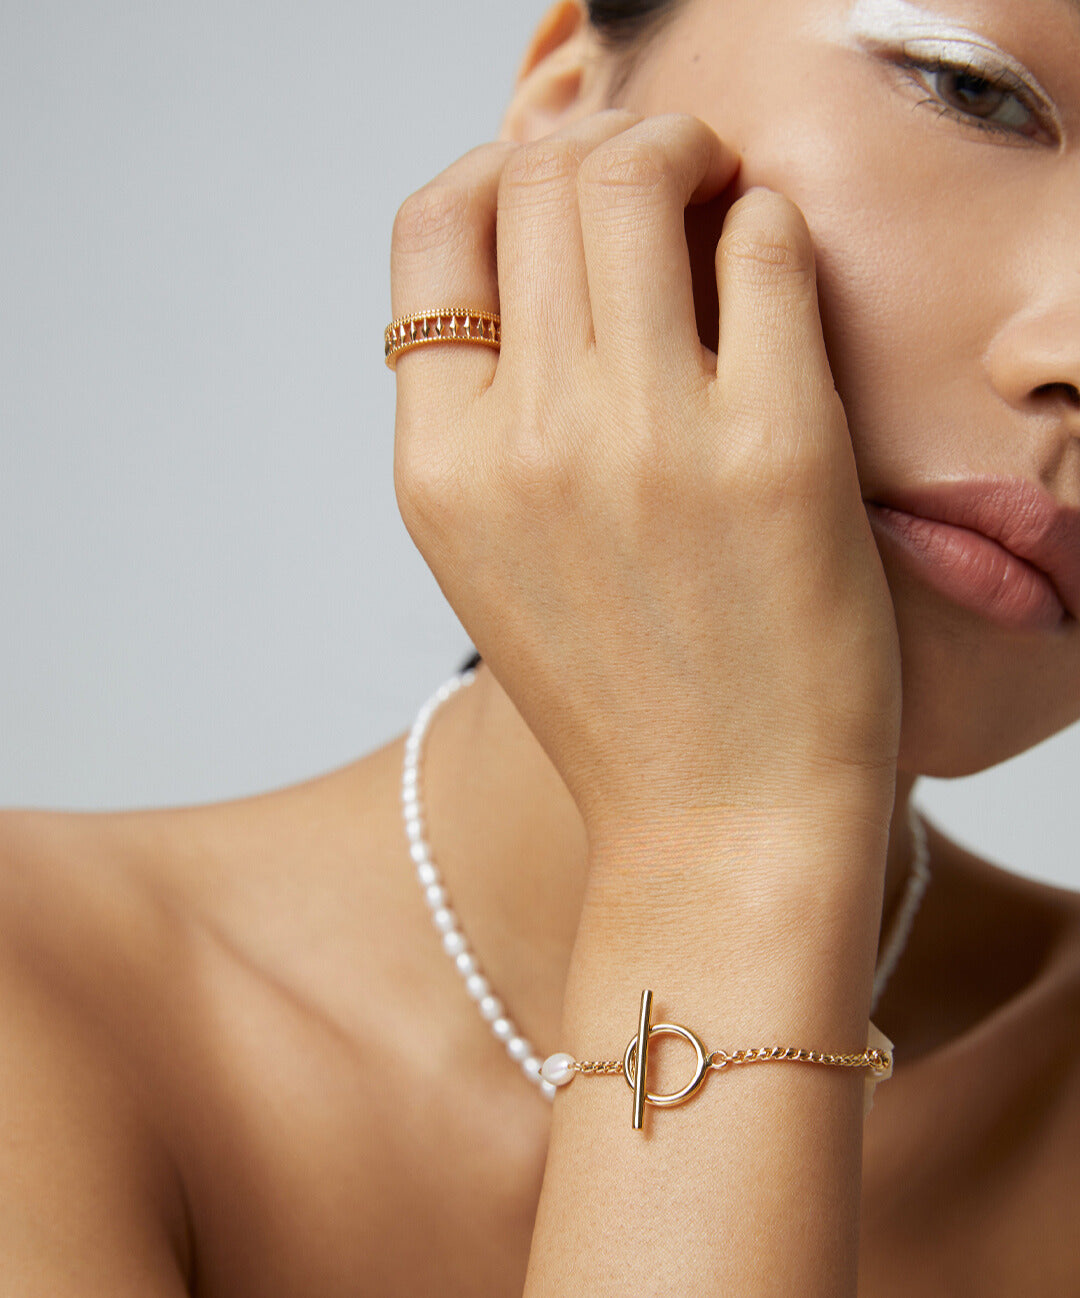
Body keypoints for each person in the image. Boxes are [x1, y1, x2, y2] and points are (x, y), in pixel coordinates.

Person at [2, 0, 1078, 1291]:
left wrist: (725, 843)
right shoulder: (45, 999)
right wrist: (720, 839)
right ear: (570, 98)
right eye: (973, 93)